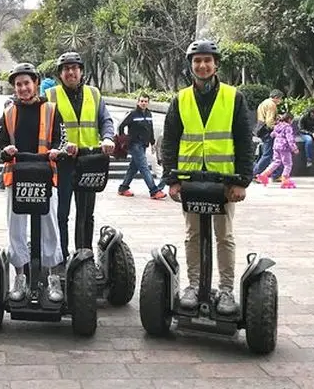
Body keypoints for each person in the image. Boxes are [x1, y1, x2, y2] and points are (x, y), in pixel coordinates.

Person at [161, 39, 252, 316]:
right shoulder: (181, 99)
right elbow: (170, 142)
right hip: (189, 179)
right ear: (191, 66)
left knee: (224, 235)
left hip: (223, 181)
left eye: (207, 60)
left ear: (216, 64)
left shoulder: (233, 97)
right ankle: (194, 285)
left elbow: (244, 141)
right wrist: (171, 179)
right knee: (193, 234)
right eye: (197, 61)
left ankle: (225, 289)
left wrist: (241, 181)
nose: (202, 65)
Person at [0, 62, 71, 302]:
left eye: (27, 83)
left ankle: (52, 277)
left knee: (49, 224)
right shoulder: (8, 112)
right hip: (17, 177)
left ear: (36, 84)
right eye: (18, 84)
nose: (23, 88)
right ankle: (19, 276)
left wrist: (57, 152)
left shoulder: (50, 109)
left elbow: (61, 138)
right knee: (16, 226)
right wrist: (5, 150)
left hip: (44, 176)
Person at [45, 51, 116, 262]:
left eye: (74, 68)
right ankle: (61, 255)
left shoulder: (94, 94)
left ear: (81, 71)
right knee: (62, 213)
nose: (70, 72)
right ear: (60, 74)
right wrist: (62, 145)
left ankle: (84, 254)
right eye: (66, 69)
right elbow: (46, 128)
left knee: (86, 213)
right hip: (63, 163)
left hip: (89, 160)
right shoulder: (51, 96)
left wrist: (108, 138)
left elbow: (106, 120)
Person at [117, 93, 166, 199]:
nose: (143, 103)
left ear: (148, 103)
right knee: (144, 167)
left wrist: (152, 142)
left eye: (145, 101)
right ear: (138, 102)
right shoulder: (133, 114)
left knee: (133, 168)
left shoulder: (149, 114)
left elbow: (150, 129)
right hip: (134, 144)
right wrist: (123, 139)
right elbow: (121, 126)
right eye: (142, 101)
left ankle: (123, 187)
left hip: (143, 144)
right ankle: (154, 190)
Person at [256, 112, 298, 188]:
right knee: (288, 164)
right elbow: (290, 139)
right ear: (289, 119)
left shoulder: (277, 125)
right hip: (284, 148)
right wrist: (294, 148)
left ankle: (263, 175)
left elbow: (272, 134)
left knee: (276, 162)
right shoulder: (288, 127)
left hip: (276, 146)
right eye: (292, 120)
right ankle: (285, 180)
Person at [252, 89, 284, 179]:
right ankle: (255, 173)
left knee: (271, 153)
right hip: (267, 131)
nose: (280, 101)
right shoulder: (272, 105)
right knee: (268, 154)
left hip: (261, 129)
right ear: (276, 97)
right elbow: (269, 121)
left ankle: (276, 174)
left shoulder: (264, 102)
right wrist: (276, 129)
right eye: (280, 99)